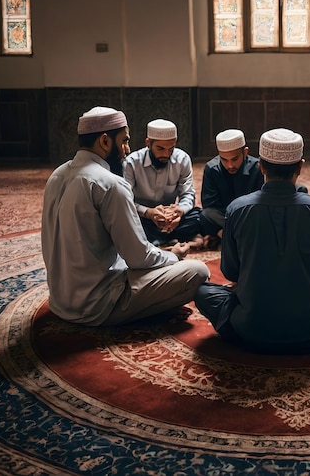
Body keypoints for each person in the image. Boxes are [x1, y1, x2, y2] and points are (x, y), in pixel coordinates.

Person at [195, 128, 310, 354]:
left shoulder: (236, 210)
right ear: (300, 166)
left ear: (261, 166)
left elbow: (231, 272)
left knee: (203, 293)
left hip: (248, 329)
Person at [41, 106, 210, 326]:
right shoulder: (109, 183)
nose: (127, 149)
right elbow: (139, 258)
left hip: (60, 301)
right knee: (197, 272)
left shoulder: (57, 175)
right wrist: (174, 256)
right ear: (104, 141)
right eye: (124, 141)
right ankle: (145, 314)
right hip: (98, 304)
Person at [123, 119, 203, 249]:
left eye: (171, 149)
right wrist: (148, 212)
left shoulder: (182, 159)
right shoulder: (131, 163)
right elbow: (126, 200)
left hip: (171, 219)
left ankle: (157, 239)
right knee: (126, 221)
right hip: (143, 218)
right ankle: (172, 238)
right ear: (148, 143)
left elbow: (188, 194)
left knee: (199, 216)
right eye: (160, 149)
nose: (166, 154)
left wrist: (179, 212)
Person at [199, 129, 263, 247]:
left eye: (234, 159)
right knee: (204, 215)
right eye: (224, 159)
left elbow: (262, 203)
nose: (230, 165)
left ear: (245, 152)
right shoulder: (212, 169)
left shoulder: (257, 168)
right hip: (226, 218)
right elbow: (209, 206)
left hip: (249, 218)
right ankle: (235, 238)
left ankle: (228, 238)